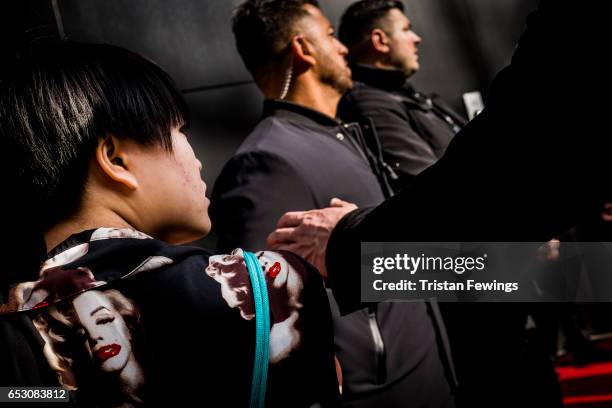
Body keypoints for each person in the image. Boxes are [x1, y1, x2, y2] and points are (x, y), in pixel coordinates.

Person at [266, 1, 609, 406]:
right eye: (406, 28)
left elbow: (502, 166)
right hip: (466, 308)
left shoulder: (420, 103)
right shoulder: (277, 153)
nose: (417, 37)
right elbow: (495, 172)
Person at [0, 41, 339, 407]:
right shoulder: (266, 279)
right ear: (115, 158)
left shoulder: (13, 334)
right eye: (180, 130)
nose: (196, 159)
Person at [213, 1, 456, 407]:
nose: (343, 48)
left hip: (433, 381)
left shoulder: (342, 137)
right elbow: (274, 329)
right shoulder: (265, 162)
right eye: (329, 35)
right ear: (303, 49)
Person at [337, 0, 467, 192]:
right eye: (406, 30)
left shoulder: (405, 94)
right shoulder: (370, 105)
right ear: (380, 41)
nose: (416, 38)